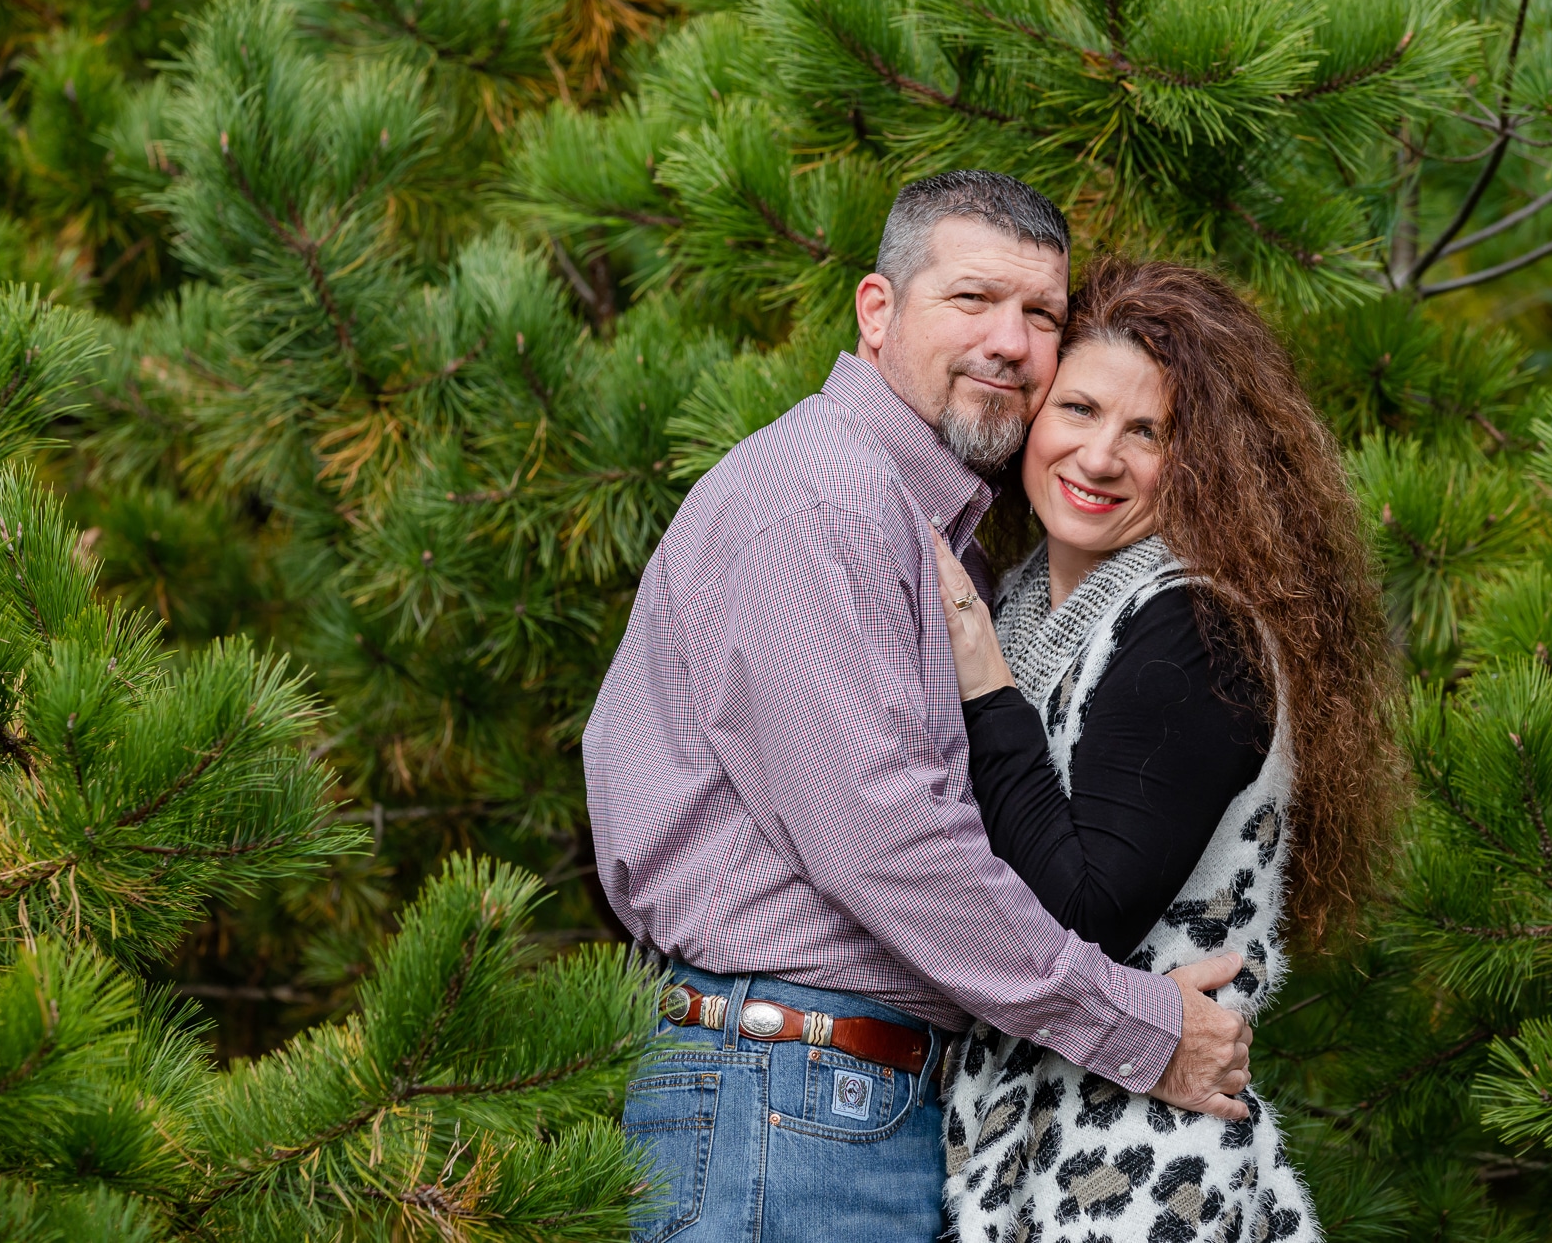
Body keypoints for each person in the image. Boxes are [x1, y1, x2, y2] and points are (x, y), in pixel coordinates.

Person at [584, 172, 1255, 1243]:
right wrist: (1131, 1025)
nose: (1009, 342)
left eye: (1039, 315)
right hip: (786, 1098)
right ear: (876, 309)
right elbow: (883, 838)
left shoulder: (928, 528)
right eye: (971, 300)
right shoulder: (823, 499)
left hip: (825, 1097)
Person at [930, 255, 1396, 1242]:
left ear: (1203, 464)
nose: (1099, 457)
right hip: (1021, 1150)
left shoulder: (1189, 628)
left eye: (1148, 432)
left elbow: (1081, 911)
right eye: (1078, 409)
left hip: (1136, 1173)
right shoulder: (1013, 605)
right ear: (1029, 415)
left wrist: (980, 685)